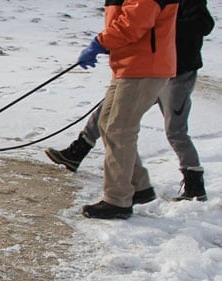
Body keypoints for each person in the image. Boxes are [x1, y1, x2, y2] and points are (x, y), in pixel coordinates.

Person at [47, 0, 215, 204]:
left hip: (171, 70)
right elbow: (127, 22)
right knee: (108, 118)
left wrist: (155, 34)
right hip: (138, 65)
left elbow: (136, 24)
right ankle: (83, 153)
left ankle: (193, 184)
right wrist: (116, 43)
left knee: (171, 130)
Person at [68, 0, 179, 219]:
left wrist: (100, 42)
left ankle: (117, 201)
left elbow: (133, 23)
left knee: (120, 129)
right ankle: (138, 185)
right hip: (129, 65)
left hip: (144, 66)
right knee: (107, 123)